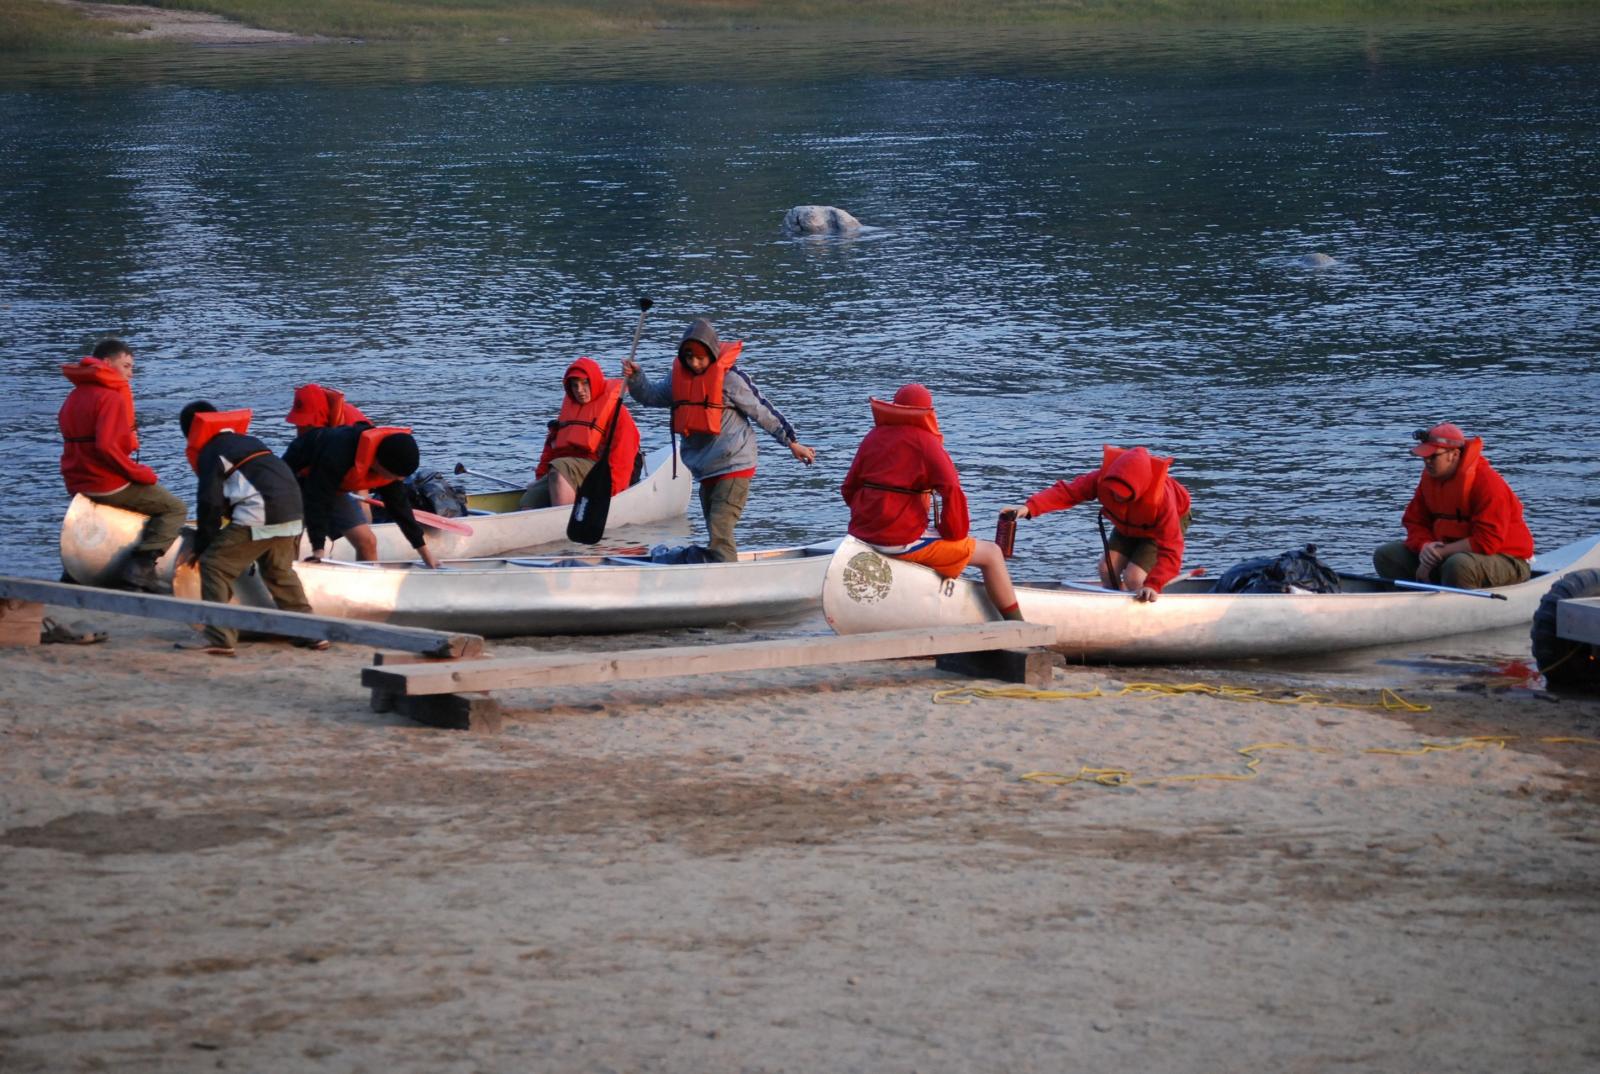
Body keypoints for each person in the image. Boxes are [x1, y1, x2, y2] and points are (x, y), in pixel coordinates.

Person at [622, 318, 816, 562]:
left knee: (720, 530)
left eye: (700, 358)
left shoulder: (729, 379)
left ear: (712, 354)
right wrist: (636, 379)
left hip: (734, 464)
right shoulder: (677, 379)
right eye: (689, 357)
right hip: (705, 469)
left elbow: (761, 410)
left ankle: (724, 576)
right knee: (716, 535)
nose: (694, 363)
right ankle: (714, 568)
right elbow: (651, 396)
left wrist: (791, 442)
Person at [841, 384, 1022, 620]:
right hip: (899, 540)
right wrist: (953, 532)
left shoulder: (872, 437)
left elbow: (848, 489)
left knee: (934, 537)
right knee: (991, 554)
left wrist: (871, 517)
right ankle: (1017, 623)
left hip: (862, 535)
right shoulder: (925, 442)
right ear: (927, 412)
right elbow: (952, 489)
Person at [173, 402, 325, 657]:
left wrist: (203, 544)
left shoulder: (211, 451)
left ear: (191, 432)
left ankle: (219, 638)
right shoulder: (249, 441)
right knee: (279, 572)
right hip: (295, 512)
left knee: (214, 564)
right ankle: (311, 632)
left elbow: (209, 503)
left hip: (261, 514)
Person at [58, 338, 186, 593]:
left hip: (77, 480)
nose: (130, 373)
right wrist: (139, 473)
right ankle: (141, 568)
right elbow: (107, 448)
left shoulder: (75, 395)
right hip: (104, 482)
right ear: (107, 363)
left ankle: (75, 575)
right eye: (126, 366)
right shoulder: (110, 397)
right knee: (174, 508)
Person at [1005, 445, 1192, 603]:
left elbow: (1172, 549)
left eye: (1123, 496)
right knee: (1106, 567)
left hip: (1157, 529)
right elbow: (1068, 492)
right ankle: (1115, 604)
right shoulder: (1102, 478)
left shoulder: (1163, 502)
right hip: (1128, 524)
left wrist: (1153, 584)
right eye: (1113, 493)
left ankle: (1147, 608)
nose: (1117, 498)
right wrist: (1029, 508)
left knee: (1134, 577)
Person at [1373, 422, 1533, 589]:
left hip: (1506, 560)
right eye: (1424, 457)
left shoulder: (1488, 483)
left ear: (1454, 454)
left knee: (1458, 565)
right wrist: (1425, 546)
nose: (1427, 461)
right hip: (1448, 557)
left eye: (1433, 456)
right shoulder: (1429, 481)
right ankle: (1411, 596)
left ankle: (1459, 601)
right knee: (1386, 555)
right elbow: (1414, 521)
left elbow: (1487, 541)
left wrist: (1440, 552)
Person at [282, 423, 442, 568]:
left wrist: (425, 554)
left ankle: (366, 584)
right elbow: (317, 499)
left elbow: (400, 509)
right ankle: (288, 575)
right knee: (292, 538)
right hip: (294, 480)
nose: (397, 480)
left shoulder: (390, 467)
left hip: (334, 488)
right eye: (395, 476)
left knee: (367, 541)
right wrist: (318, 549)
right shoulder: (339, 452)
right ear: (379, 463)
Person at [521, 357, 641, 510]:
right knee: (530, 499)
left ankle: (562, 516)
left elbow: (623, 456)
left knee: (560, 468)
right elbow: (551, 448)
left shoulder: (617, 413)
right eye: (574, 385)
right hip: (569, 470)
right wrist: (540, 478)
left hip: (602, 472)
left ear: (594, 382)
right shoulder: (569, 412)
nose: (579, 390)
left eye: (585, 383)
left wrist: (611, 492)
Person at [284, 384, 379, 560]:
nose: (302, 429)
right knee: (292, 534)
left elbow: (362, 481)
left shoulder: (352, 425)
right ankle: (291, 569)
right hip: (303, 481)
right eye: (300, 424)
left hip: (334, 484)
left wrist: (365, 519)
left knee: (367, 541)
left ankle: (369, 573)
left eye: (307, 424)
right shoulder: (303, 443)